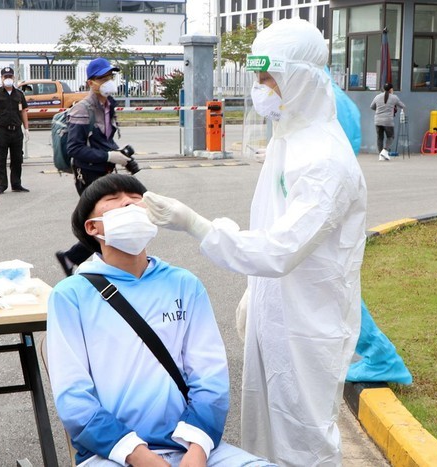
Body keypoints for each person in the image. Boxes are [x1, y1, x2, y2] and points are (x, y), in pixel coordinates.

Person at [143, 19, 367, 466]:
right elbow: (274, 229)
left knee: (303, 438)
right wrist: (255, 291)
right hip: (278, 309)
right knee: (266, 431)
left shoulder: (324, 161)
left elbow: (281, 249)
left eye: (269, 78)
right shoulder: (292, 140)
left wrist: (197, 224)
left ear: (300, 79)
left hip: (307, 323)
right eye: (258, 78)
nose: (261, 89)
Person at [47, 174, 276, 467]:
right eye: (113, 200)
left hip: (196, 448)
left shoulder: (184, 284)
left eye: (135, 197)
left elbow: (210, 378)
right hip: (112, 455)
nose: (128, 202)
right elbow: (74, 399)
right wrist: (142, 458)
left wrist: (196, 452)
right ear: (92, 227)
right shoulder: (70, 296)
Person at [54, 57, 132, 277]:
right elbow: (74, 149)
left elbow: (105, 139)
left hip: (105, 170)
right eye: (103, 78)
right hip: (87, 173)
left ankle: (73, 258)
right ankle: (99, 266)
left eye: (110, 77)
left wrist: (121, 154)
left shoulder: (109, 105)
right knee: (105, 222)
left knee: (108, 221)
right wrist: (109, 155)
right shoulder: (82, 109)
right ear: (91, 82)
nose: (108, 81)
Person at [0, 66, 30, 193]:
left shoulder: (19, 94)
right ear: (1, 78)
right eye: (5, 77)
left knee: (17, 159)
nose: (8, 79)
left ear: (14, 78)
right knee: (0, 159)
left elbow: (24, 112)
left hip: (16, 131)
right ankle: (1, 185)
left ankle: (16, 184)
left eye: (10, 76)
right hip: (2, 131)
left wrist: (26, 128)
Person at [370, 82, 405, 161]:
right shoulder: (394, 97)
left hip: (377, 120)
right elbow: (402, 106)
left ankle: (381, 155)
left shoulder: (377, 97)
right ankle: (385, 151)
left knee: (380, 138)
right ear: (391, 89)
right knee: (391, 137)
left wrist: (379, 109)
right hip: (388, 121)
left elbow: (372, 107)